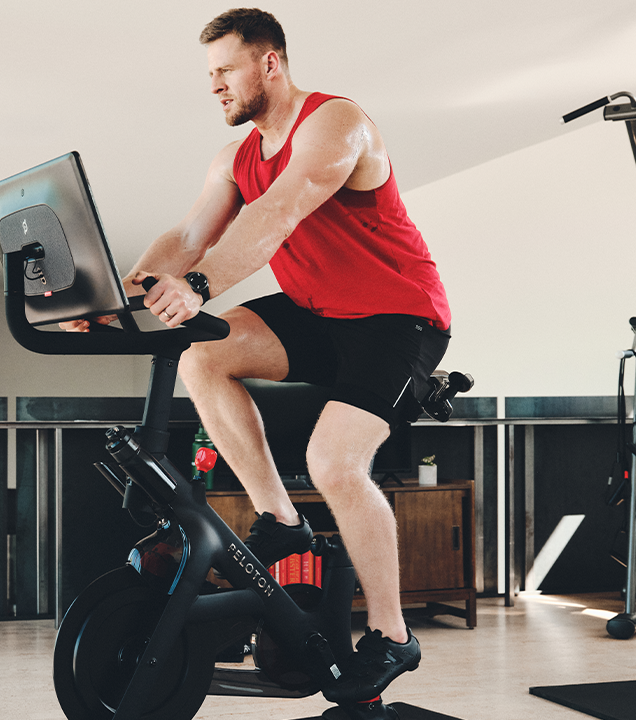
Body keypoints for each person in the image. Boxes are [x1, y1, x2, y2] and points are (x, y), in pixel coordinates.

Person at [66, 7, 451, 704]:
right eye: (208, 74)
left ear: (269, 62)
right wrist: (116, 300)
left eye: (225, 71)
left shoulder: (335, 123)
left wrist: (202, 286)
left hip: (398, 317)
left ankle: (395, 636)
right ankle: (280, 519)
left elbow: (279, 212)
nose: (214, 86)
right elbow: (187, 235)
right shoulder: (234, 156)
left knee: (333, 462)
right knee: (203, 355)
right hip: (315, 312)